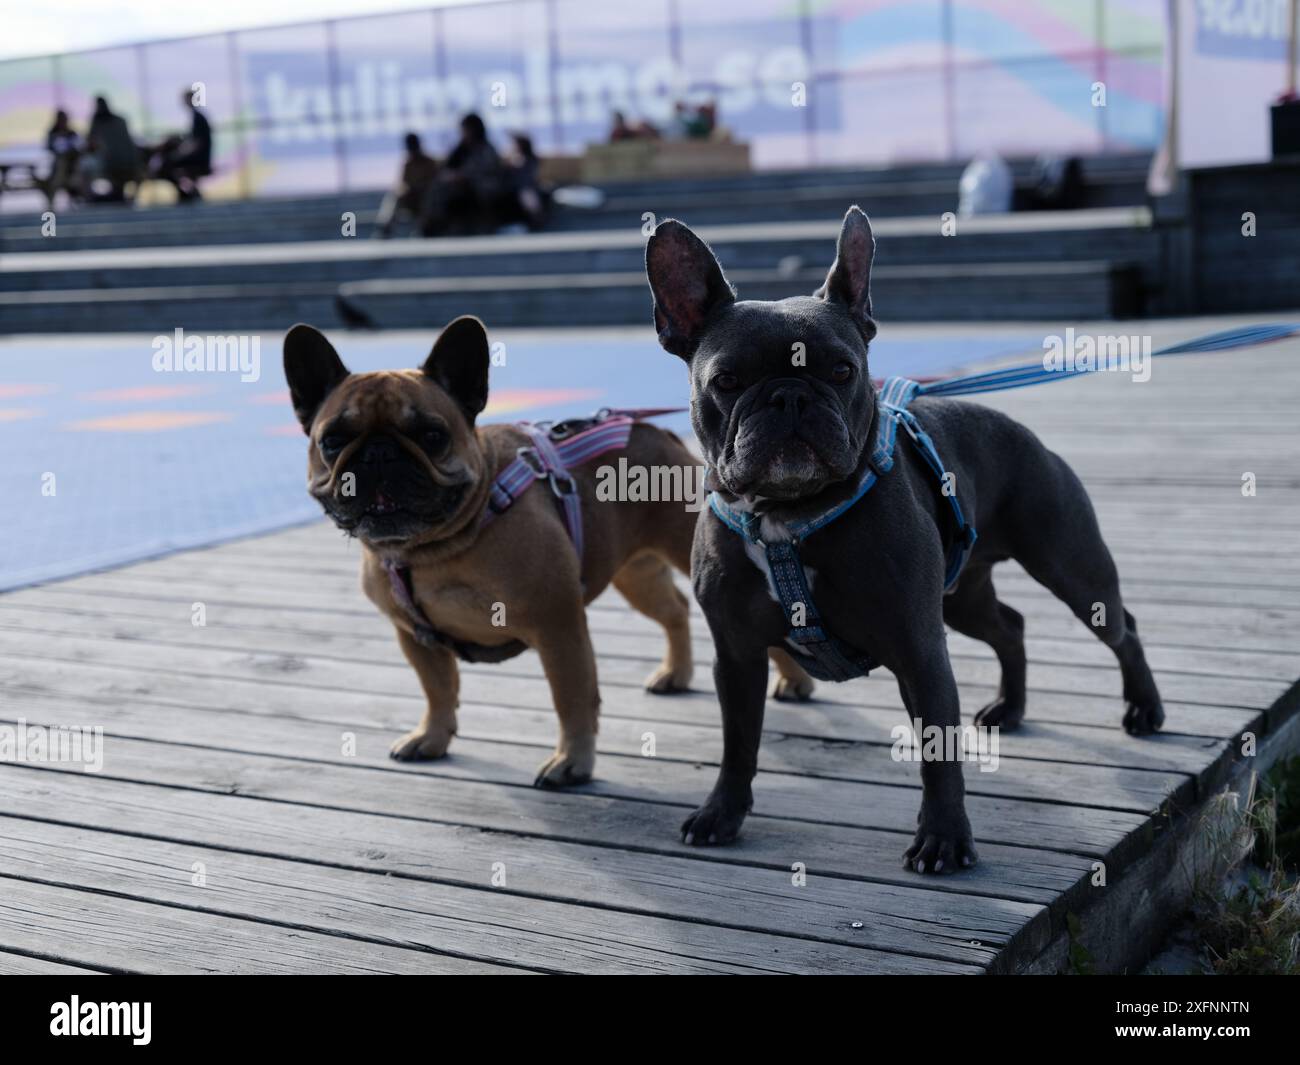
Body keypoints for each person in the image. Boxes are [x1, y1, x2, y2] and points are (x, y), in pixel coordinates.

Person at [419, 113, 503, 235]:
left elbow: (485, 172)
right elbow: (447, 168)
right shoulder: (462, 149)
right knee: (438, 187)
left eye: (466, 129)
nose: (463, 133)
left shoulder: (486, 149)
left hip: (483, 188)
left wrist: (463, 176)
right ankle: (431, 223)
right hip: (462, 187)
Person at [149, 88, 213, 201]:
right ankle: (186, 192)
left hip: (199, 158)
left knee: (166, 163)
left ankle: (185, 193)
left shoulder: (198, 118)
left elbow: (196, 144)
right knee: (168, 161)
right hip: (199, 156)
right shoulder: (197, 117)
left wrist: (179, 154)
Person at [373, 132, 439, 238]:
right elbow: (403, 183)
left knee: (430, 197)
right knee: (395, 197)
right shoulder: (407, 164)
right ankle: (385, 226)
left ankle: (424, 228)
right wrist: (405, 191)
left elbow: (434, 184)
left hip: (427, 199)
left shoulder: (429, 163)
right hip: (412, 198)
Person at [79, 96, 138, 202]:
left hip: (113, 163)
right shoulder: (120, 120)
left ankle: (88, 198)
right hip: (126, 162)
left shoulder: (98, 123)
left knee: (85, 168)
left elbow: (90, 143)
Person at [499, 132, 546, 231]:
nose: (513, 146)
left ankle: (537, 220)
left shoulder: (527, 159)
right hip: (516, 189)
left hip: (526, 188)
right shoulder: (517, 158)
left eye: (516, 144)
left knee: (528, 195)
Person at [40, 109, 82, 207]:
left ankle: (75, 194)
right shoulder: (53, 133)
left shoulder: (72, 133)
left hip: (73, 165)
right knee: (59, 172)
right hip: (58, 166)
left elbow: (79, 146)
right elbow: (50, 147)